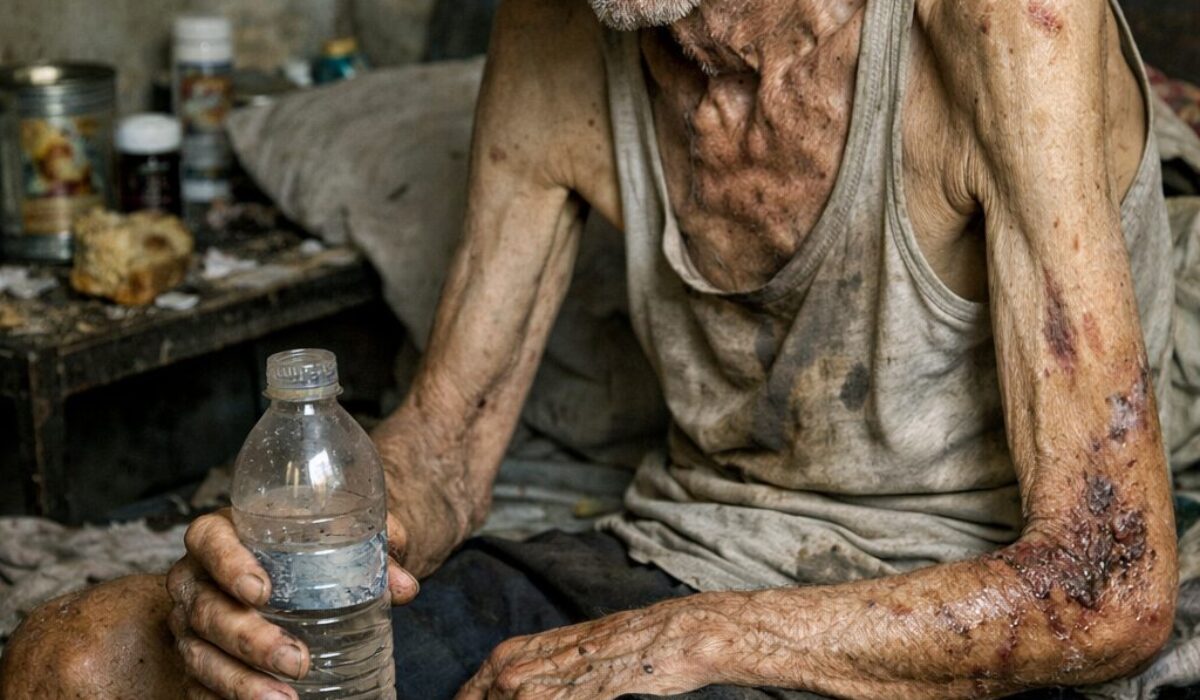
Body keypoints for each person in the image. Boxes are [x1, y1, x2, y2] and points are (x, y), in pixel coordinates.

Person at [1, 0, 1188, 696]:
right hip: (675, 544)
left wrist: (706, 638)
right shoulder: (558, 28)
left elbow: (1113, 583)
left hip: (934, 594)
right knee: (78, 654)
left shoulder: (1003, 23)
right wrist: (294, 560)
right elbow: (449, 445)